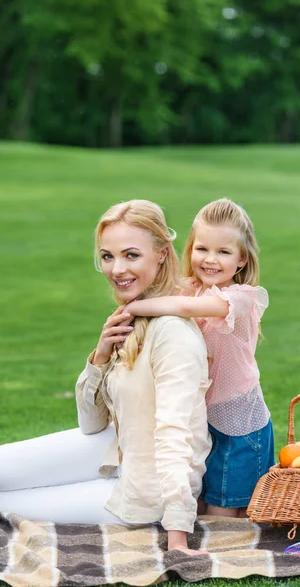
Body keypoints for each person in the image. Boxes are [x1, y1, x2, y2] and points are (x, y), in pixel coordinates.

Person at [0, 200, 211, 556]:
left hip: (146, 488)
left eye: (131, 255)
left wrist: (177, 532)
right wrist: (99, 357)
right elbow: (91, 424)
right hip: (115, 450)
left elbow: (180, 438)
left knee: (7, 502)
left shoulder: (173, 334)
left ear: (161, 254)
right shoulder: (130, 321)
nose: (116, 269)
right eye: (108, 256)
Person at [124, 198, 275, 518]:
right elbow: (162, 287)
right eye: (202, 249)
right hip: (203, 421)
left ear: (242, 259)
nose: (210, 259)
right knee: (202, 508)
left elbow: (185, 310)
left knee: (224, 517)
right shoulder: (190, 288)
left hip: (240, 428)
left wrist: (131, 308)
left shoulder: (242, 298)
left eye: (224, 252)